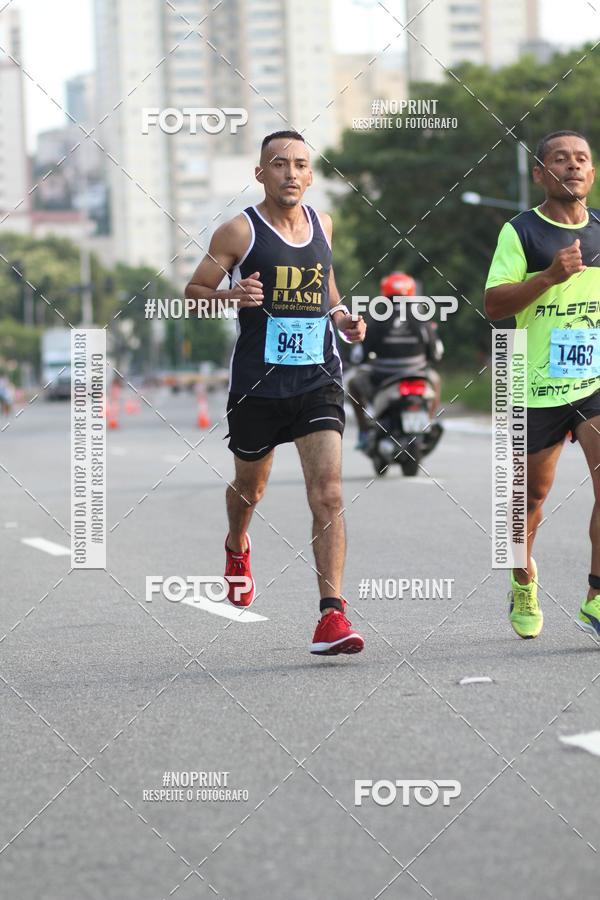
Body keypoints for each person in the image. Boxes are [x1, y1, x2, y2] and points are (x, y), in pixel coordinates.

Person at [185, 130, 367, 655]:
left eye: (301, 165)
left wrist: (341, 316)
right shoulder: (238, 231)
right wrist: (231, 293)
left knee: (328, 492)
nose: (291, 173)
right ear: (260, 173)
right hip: (259, 385)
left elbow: (325, 282)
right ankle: (237, 543)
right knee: (250, 489)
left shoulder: (323, 224)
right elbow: (193, 293)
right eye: (279, 164)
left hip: (317, 377)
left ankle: (332, 617)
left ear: (311, 175)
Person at [484, 130, 600, 639]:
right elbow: (494, 306)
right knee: (527, 500)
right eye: (560, 159)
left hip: (593, 379)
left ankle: (596, 596)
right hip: (531, 383)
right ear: (540, 174)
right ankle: (522, 577)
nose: (572, 167)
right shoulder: (522, 232)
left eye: (581, 160)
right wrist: (549, 276)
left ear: (592, 173)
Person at [347, 272, 443, 449]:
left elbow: (359, 357)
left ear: (385, 294)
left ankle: (364, 432)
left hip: (384, 377)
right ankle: (429, 419)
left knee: (353, 383)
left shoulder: (376, 320)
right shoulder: (423, 320)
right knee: (436, 379)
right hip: (419, 376)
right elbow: (436, 353)